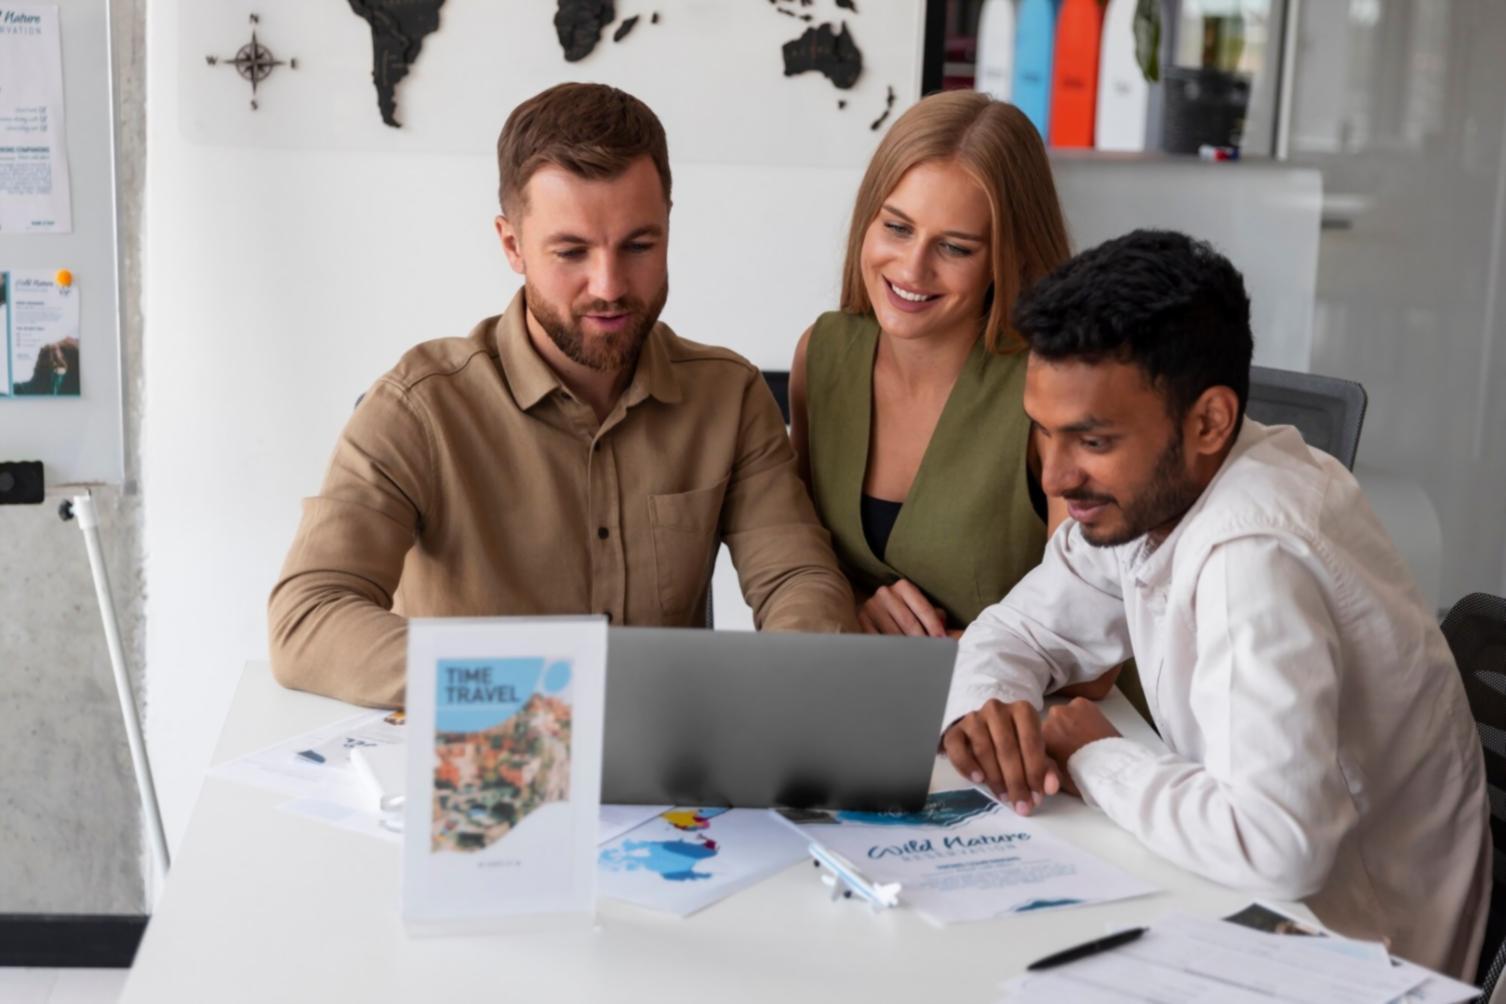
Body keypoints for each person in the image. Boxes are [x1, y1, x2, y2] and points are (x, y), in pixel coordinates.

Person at [941, 228, 1490, 977]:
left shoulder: (1253, 551)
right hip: (1248, 919)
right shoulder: (1158, 494)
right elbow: (1019, 629)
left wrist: (1094, 753)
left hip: (1360, 961)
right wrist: (990, 709)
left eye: (1091, 440)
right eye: (1043, 434)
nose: (1055, 477)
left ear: (1209, 421)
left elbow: (1277, 849)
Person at [269, 83, 857, 708]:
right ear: (512, 245)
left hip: (669, 776)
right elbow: (306, 619)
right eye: (571, 251)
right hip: (487, 767)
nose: (608, 285)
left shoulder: (727, 396)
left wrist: (789, 692)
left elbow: (797, 579)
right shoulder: (418, 407)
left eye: (639, 245)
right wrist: (534, 690)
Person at [789, 91, 1071, 638]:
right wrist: (852, 601)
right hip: (875, 702)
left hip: (1035, 711)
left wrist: (941, 651)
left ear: (1009, 257)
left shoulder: (1056, 387)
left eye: (956, 248)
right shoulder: (820, 356)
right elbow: (803, 560)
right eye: (897, 228)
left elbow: (1091, 650)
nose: (912, 269)